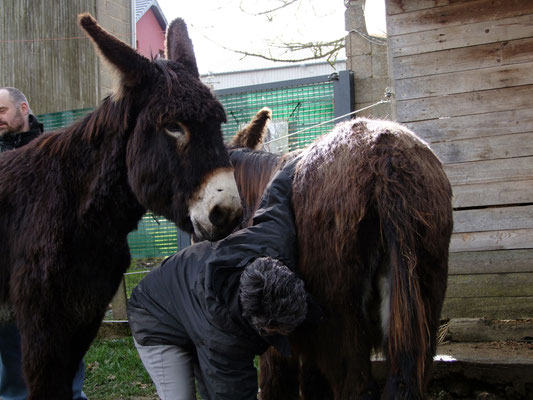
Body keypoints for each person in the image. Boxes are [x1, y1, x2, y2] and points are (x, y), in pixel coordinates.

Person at [128, 157, 324, 400]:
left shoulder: (272, 240)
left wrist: (305, 158)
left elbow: (279, 189)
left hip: (190, 300)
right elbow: (234, 392)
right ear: (260, 325)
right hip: (155, 315)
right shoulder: (224, 337)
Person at [0, 87, 87, 400]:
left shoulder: (58, 151)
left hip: (57, 273)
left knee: (65, 351)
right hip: (9, 276)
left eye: (2, 111)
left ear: (23, 108)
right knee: (12, 357)